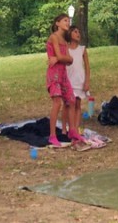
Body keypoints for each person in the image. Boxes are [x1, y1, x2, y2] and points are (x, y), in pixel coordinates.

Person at [46, 13, 81, 147]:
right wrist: (61, 58)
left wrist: (60, 58)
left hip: (63, 74)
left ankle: (72, 131)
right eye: (65, 20)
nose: (68, 23)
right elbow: (61, 56)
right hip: (54, 74)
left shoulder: (65, 40)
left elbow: (69, 60)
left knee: (71, 100)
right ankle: (52, 135)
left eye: (68, 20)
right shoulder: (54, 37)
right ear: (57, 23)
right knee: (57, 102)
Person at [65, 26, 91, 125]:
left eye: (79, 32)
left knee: (77, 105)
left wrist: (87, 82)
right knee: (69, 104)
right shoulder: (66, 49)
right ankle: (69, 127)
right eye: (75, 32)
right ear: (69, 34)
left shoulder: (82, 49)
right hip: (69, 81)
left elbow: (87, 67)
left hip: (80, 80)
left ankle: (75, 128)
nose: (78, 34)